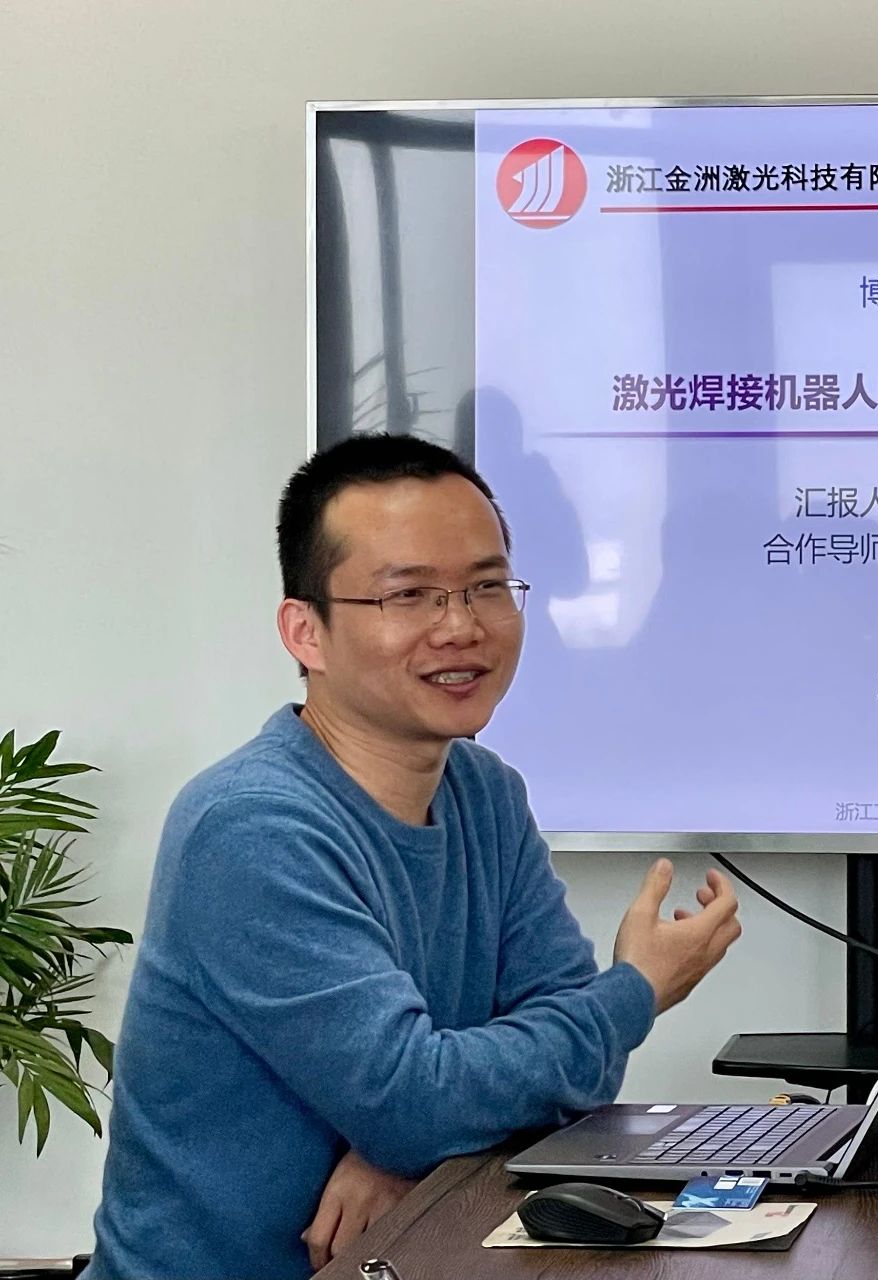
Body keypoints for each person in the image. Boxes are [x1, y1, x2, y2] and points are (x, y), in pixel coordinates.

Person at [85, 433, 741, 1279]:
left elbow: (567, 1076)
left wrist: (413, 1151)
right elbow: (427, 1096)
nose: (461, 626)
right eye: (409, 595)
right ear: (306, 632)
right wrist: (635, 989)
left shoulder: (485, 793)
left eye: (487, 586)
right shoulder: (252, 827)